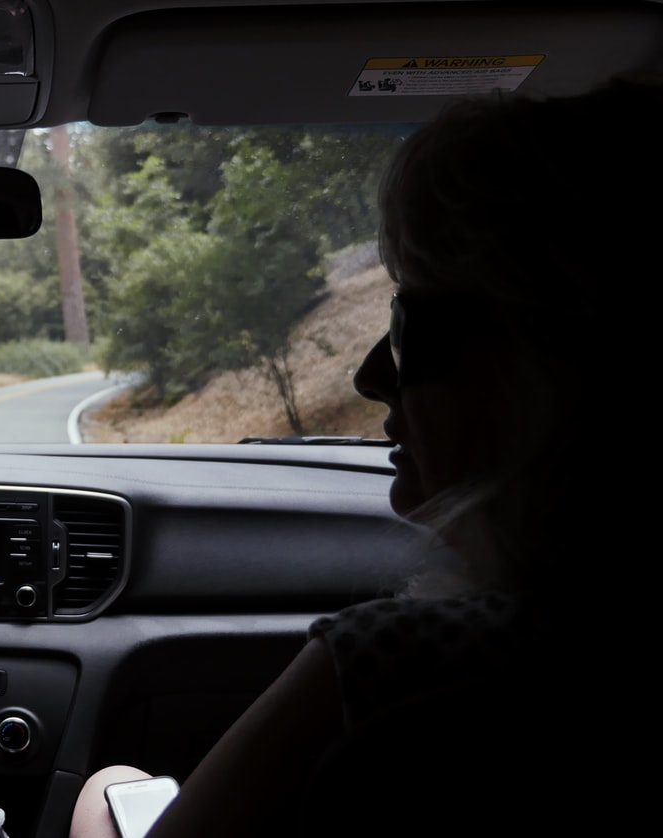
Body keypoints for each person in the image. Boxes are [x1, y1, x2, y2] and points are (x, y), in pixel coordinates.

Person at [69, 73, 661, 837]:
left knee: (109, 788)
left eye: (415, 326)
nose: (371, 373)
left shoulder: (397, 666)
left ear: (560, 368)